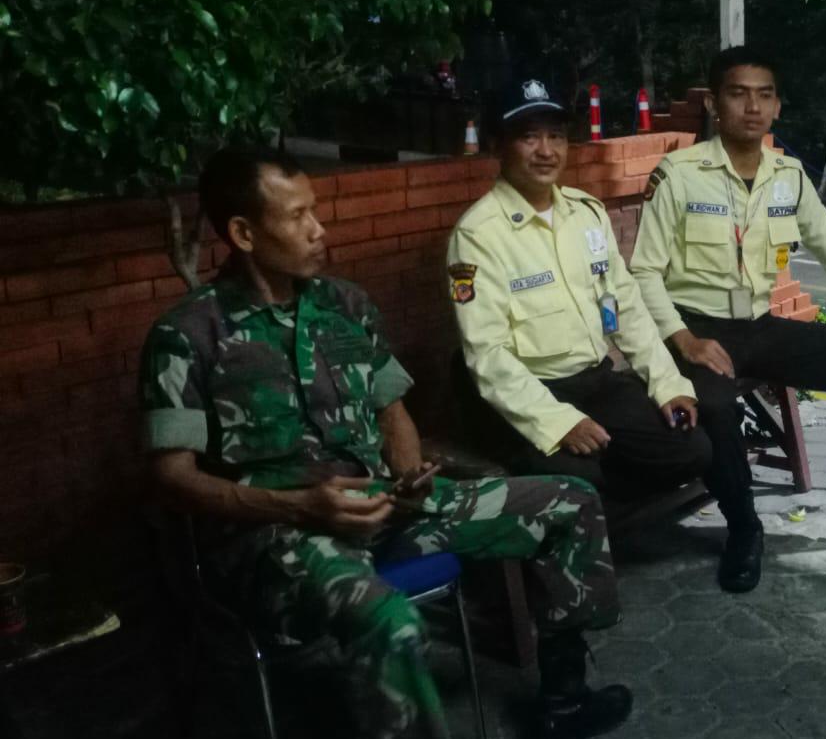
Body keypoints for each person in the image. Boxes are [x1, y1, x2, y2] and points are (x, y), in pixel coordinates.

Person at [140, 146, 631, 739]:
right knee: (390, 623)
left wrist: (409, 474)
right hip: (276, 540)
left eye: (315, 211)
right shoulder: (189, 334)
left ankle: (565, 700)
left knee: (570, 501)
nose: (318, 230)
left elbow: (391, 408)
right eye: (297, 217)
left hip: (384, 508)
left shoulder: (345, 305)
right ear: (244, 233)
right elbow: (171, 478)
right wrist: (299, 506)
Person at [630, 46, 826, 592]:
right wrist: (685, 340)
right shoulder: (680, 174)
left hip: (760, 326)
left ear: (777, 107)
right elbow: (644, 272)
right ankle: (744, 527)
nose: (752, 107)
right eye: (738, 94)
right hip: (698, 329)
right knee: (714, 404)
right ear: (715, 104)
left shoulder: (788, 176)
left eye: (764, 95)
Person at [447, 80, 746, 582]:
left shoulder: (585, 214)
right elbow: (487, 356)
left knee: (690, 449)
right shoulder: (479, 235)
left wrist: (667, 384)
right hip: (531, 393)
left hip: (595, 382)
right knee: (580, 476)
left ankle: (593, 515)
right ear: (499, 146)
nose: (546, 151)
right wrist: (557, 422)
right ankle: (572, 535)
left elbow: (625, 307)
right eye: (529, 137)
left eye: (555, 136)